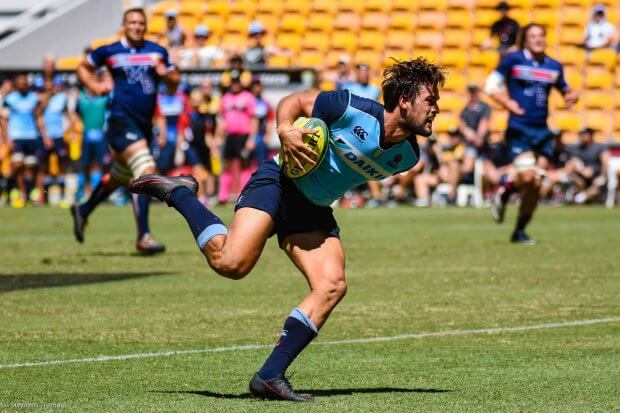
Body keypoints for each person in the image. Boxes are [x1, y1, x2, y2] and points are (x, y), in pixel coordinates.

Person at [129, 58, 444, 401]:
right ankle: (180, 194)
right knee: (230, 263)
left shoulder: (408, 156)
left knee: (332, 285)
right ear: (404, 101)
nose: (436, 109)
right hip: (278, 182)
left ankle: (269, 375)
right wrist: (285, 129)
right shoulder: (351, 107)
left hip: (312, 210)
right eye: (430, 100)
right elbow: (293, 102)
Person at [70, 7, 180, 253]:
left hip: (144, 125)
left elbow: (174, 84)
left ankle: (83, 209)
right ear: (124, 25)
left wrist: (167, 75)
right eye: (132, 22)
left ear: (146, 26)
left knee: (121, 175)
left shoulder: (157, 51)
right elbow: (82, 68)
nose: (137, 26)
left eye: (141, 23)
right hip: (120, 121)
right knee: (145, 171)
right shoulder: (109, 51)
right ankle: (144, 236)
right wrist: (94, 84)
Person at [484, 23, 579, 244]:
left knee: (537, 184)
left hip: (542, 131)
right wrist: (507, 103)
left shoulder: (554, 66)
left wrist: (572, 96)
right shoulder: (513, 60)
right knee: (527, 176)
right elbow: (490, 85)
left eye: (541, 35)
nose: (538, 39)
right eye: (533, 36)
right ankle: (505, 191)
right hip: (519, 128)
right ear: (525, 40)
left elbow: (565, 90)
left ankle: (519, 230)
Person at [0, 73, 51, 207]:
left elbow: (39, 118)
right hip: (16, 136)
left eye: (24, 83)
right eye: (20, 83)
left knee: (30, 166)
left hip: (32, 137)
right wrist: (7, 138)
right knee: (17, 165)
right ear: (16, 85)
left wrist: (45, 136)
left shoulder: (34, 98)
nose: (22, 85)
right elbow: (4, 120)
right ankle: (17, 191)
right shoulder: (10, 99)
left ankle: (29, 194)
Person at [216, 76, 257, 204]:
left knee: (244, 164)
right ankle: (223, 196)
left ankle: (245, 194)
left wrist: (252, 138)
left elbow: (254, 119)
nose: (234, 85)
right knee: (226, 165)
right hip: (230, 137)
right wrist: (219, 136)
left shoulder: (248, 97)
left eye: (236, 82)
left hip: (244, 136)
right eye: (232, 82)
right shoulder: (225, 98)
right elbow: (222, 119)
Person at [75, 71, 110, 198]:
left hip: (101, 136)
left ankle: (106, 191)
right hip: (86, 136)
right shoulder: (81, 97)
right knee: (85, 164)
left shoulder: (105, 97)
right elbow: (76, 114)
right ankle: (87, 189)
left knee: (106, 163)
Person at [40, 77, 75, 204]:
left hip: (59, 136)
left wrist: (71, 131)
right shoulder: (41, 99)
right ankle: (43, 197)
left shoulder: (61, 98)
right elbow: (37, 116)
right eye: (47, 87)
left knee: (62, 165)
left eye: (52, 87)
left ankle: (62, 196)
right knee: (44, 167)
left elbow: (68, 114)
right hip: (45, 138)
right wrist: (45, 136)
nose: (50, 89)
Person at [152, 84, 189, 176]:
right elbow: (156, 119)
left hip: (177, 141)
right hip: (162, 142)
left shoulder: (182, 98)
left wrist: (179, 149)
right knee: (159, 169)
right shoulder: (159, 99)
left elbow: (182, 124)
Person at [568, 127, 609, 204]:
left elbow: (605, 162)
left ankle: (579, 198)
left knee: (595, 189)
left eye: (585, 134)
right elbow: (573, 162)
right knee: (573, 177)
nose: (583, 136)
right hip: (582, 178)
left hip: (596, 179)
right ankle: (581, 197)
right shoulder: (576, 148)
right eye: (581, 134)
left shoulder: (599, 147)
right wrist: (582, 170)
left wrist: (603, 177)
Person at [459, 84, 491, 158]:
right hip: (471, 142)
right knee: (468, 165)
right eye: (471, 92)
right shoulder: (465, 110)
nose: (473, 94)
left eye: (474, 91)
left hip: (484, 142)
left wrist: (479, 138)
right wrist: (470, 135)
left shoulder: (484, 107)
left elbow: (484, 123)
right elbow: (462, 126)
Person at [250, 79, 275, 165]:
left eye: (259, 86)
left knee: (261, 163)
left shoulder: (265, 103)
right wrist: (251, 138)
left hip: (261, 138)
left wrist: (267, 135)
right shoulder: (248, 101)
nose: (257, 88)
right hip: (247, 138)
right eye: (255, 86)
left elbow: (270, 119)